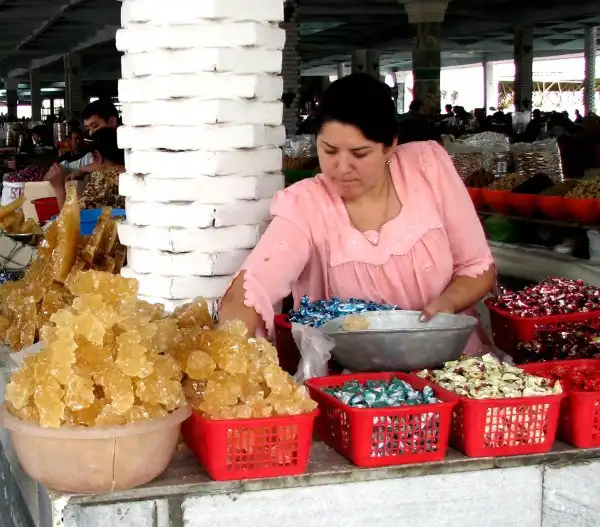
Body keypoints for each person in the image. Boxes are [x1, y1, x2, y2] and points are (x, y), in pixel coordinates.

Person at [219, 73, 495, 356]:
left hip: (456, 363)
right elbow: (253, 287)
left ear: (390, 146)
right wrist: (229, 351)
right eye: (329, 151)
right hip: (354, 375)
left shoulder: (427, 168)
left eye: (359, 153)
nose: (342, 167)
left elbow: (478, 266)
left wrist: (448, 304)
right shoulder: (306, 205)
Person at [44, 100, 120, 188]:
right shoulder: (93, 154)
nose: (91, 133)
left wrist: (95, 168)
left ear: (112, 121)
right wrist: (55, 169)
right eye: (88, 128)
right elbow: (68, 166)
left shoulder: (131, 148)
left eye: (95, 126)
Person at [48, 127, 125, 210]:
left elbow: (73, 216)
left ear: (97, 156)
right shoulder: (127, 174)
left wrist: (58, 188)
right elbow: (103, 166)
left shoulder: (102, 179)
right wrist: (82, 170)